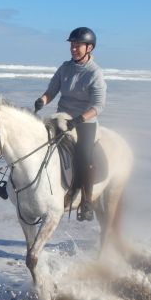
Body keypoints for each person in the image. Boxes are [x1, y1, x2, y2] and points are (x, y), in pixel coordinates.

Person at [34, 27, 106, 221]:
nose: (73, 48)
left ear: (89, 48)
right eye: (72, 45)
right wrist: (42, 101)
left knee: (83, 157)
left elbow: (98, 105)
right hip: (62, 116)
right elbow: (52, 90)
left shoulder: (95, 73)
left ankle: (87, 202)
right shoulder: (65, 67)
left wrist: (80, 119)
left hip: (85, 121)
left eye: (78, 45)